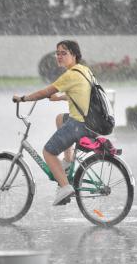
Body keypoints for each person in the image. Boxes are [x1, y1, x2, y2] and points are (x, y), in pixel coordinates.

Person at [12, 40, 95, 206]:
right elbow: (81, 94)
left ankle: (65, 188)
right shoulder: (84, 71)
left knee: (48, 152)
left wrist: (23, 98)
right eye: (57, 53)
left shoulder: (70, 75)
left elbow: (45, 92)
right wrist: (59, 98)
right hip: (90, 122)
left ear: (74, 55)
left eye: (64, 53)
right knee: (59, 118)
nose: (59, 56)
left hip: (78, 125)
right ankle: (68, 161)